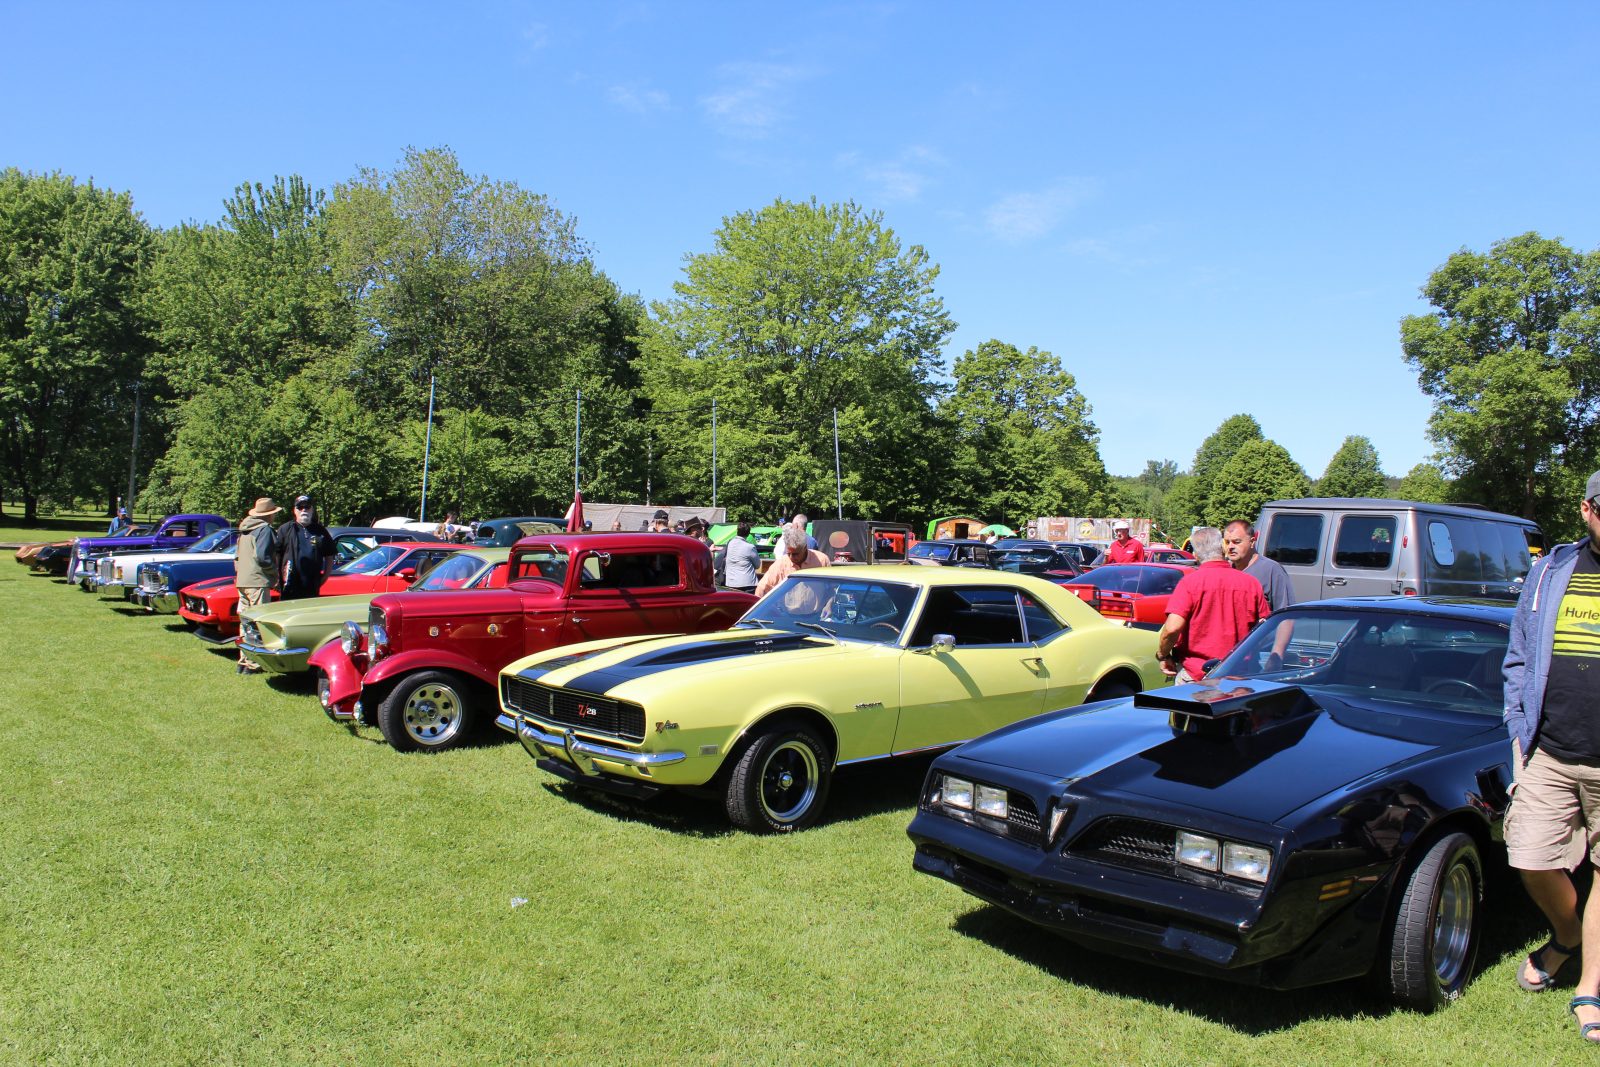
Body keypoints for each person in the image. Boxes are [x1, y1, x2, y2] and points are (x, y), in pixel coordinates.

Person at [1503, 470, 1600, 1040]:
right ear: (1588, 510)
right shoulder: (1552, 570)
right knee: (1530, 855)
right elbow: (1518, 653)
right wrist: (1520, 727)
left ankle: (1590, 985)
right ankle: (1569, 934)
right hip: (1551, 751)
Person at [1156, 526, 1270, 682]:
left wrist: (1162, 655)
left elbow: (1172, 628)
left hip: (1197, 674)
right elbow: (1266, 628)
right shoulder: (1251, 583)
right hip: (1240, 674)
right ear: (1223, 548)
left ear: (1195, 554)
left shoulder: (1190, 583)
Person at [235, 497, 283, 674]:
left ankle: (243, 661)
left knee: (245, 623)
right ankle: (254, 664)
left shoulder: (244, 530)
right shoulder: (264, 530)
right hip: (258, 582)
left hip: (243, 580)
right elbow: (263, 558)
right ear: (269, 515)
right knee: (257, 622)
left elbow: (237, 558)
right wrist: (274, 576)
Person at [276, 494, 336, 600]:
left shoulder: (320, 531)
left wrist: (325, 577)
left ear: (312, 510)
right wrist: (276, 578)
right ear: (295, 510)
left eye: (307, 507)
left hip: (311, 587)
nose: (304, 510)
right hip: (289, 587)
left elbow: (329, 555)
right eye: (300, 507)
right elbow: (276, 555)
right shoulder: (285, 529)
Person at [754, 525, 830, 598]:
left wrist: (828, 605)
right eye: (788, 553)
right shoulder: (781, 564)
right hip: (786, 611)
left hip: (818, 611)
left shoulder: (822, 561)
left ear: (805, 548)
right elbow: (762, 587)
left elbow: (831, 588)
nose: (791, 557)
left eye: (795, 554)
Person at [723, 521, 760, 594]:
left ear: (737, 531)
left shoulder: (730, 543)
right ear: (748, 533)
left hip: (731, 583)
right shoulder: (750, 547)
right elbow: (757, 565)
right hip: (747, 584)